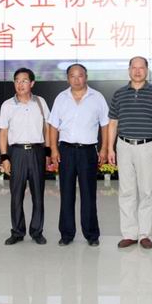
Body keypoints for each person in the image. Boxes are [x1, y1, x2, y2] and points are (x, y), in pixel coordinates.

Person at [107, 56, 152, 249]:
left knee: (147, 191)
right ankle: (129, 234)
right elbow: (113, 122)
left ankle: (144, 235)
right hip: (123, 145)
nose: (138, 71)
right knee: (126, 191)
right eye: (134, 67)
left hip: (147, 146)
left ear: (147, 70)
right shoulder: (119, 94)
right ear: (129, 70)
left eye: (141, 68)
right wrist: (110, 148)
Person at [48, 63, 109, 247]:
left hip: (88, 151)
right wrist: (53, 149)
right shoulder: (61, 98)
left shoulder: (97, 97)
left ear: (86, 77)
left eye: (80, 75)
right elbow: (53, 126)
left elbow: (105, 125)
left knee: (88, 194)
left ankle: (91, 234)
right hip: (66, 150)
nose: (76, 80)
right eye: (72, 76)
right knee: (66, 193)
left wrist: (104, 148)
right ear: (68, 78)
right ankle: (67, 234)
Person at [0, 67, 50, 246]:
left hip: (37, 152)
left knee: (38, 195)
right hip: (17, 153)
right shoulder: (7, 105)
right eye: (17, 81)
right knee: (16, 195)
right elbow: (3, 133)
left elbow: (47, 128)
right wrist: (4, 157)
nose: (20, 84)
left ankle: (37, 231)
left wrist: (48, 152)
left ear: (32, 83)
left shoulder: (40, 102)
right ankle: (17, 232)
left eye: (24, 81)